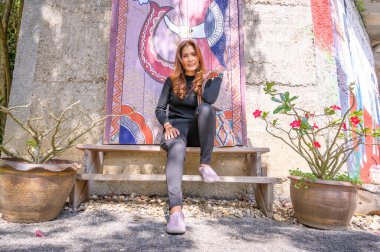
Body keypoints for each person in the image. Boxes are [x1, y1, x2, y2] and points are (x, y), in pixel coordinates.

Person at [155, 39, 223, 234]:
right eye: (186, 55)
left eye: (193, 54)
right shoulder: (172, 80)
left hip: (195, 131)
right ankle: (176, 213)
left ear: (198, 57)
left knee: (206, 108)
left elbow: (209, 101)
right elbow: (160, 109)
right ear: (181, 60)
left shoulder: (205, 79)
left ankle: (205, 164)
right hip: (176, 129)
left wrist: (217, 77)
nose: (190, 58)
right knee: (176, 149)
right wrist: (167, 125)